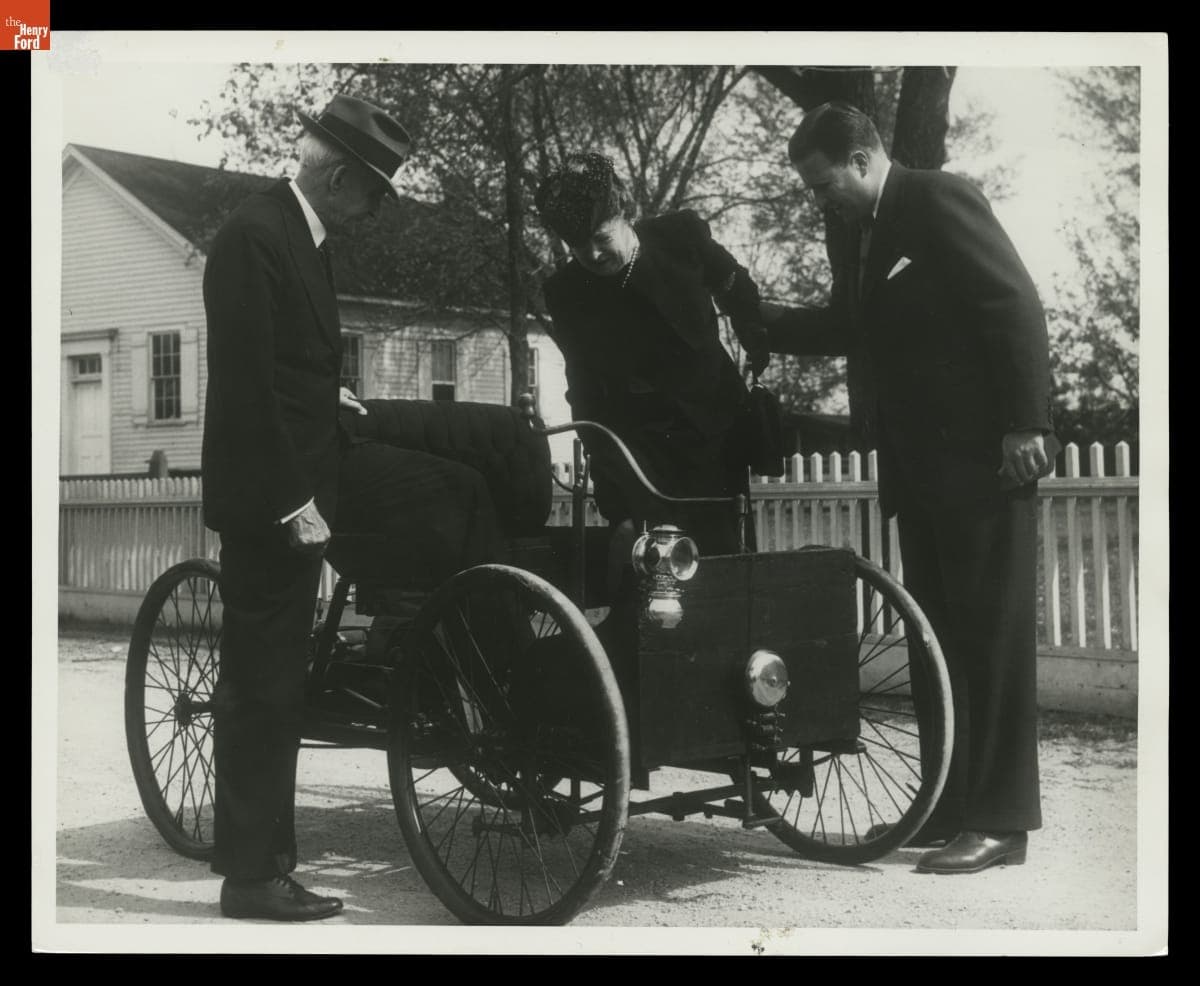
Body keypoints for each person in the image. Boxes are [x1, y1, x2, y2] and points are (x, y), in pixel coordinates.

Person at [763, 101, 1055, 874]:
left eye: (824, 184)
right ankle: (952, 807)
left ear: (861, 159)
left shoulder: (937, 198)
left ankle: (1000, 824)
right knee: (940, 648)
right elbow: (845, 329)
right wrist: (746, 311)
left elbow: (1013, 304)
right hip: (922, 478)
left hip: (983, 469)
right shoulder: (861, 234)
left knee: (989, 646)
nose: (818, 199)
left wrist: (1027, 424)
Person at [201, 93, 413, 920]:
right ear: (337, 176)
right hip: (270, 501)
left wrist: (338, 398)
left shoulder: (299, 235)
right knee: (262, 687)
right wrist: (295, 503)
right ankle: (252, 876)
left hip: (302, 478)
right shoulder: (254, 237)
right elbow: (250, 391)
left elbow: (294, 367)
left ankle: (263, 859)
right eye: (373, 193)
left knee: (280, 680)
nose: (373, 211)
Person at [535, 152, 770, 583]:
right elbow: (585, 393)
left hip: (715, 436)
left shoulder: (681, 238)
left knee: (721, 569)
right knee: (650, 568)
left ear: (623, 208)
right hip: (641, 451)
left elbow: (735, 286)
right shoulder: (568, 293)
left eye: (601, 236)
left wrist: (754, 332)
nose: (592, 253)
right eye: (577, 246)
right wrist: (616, 496)